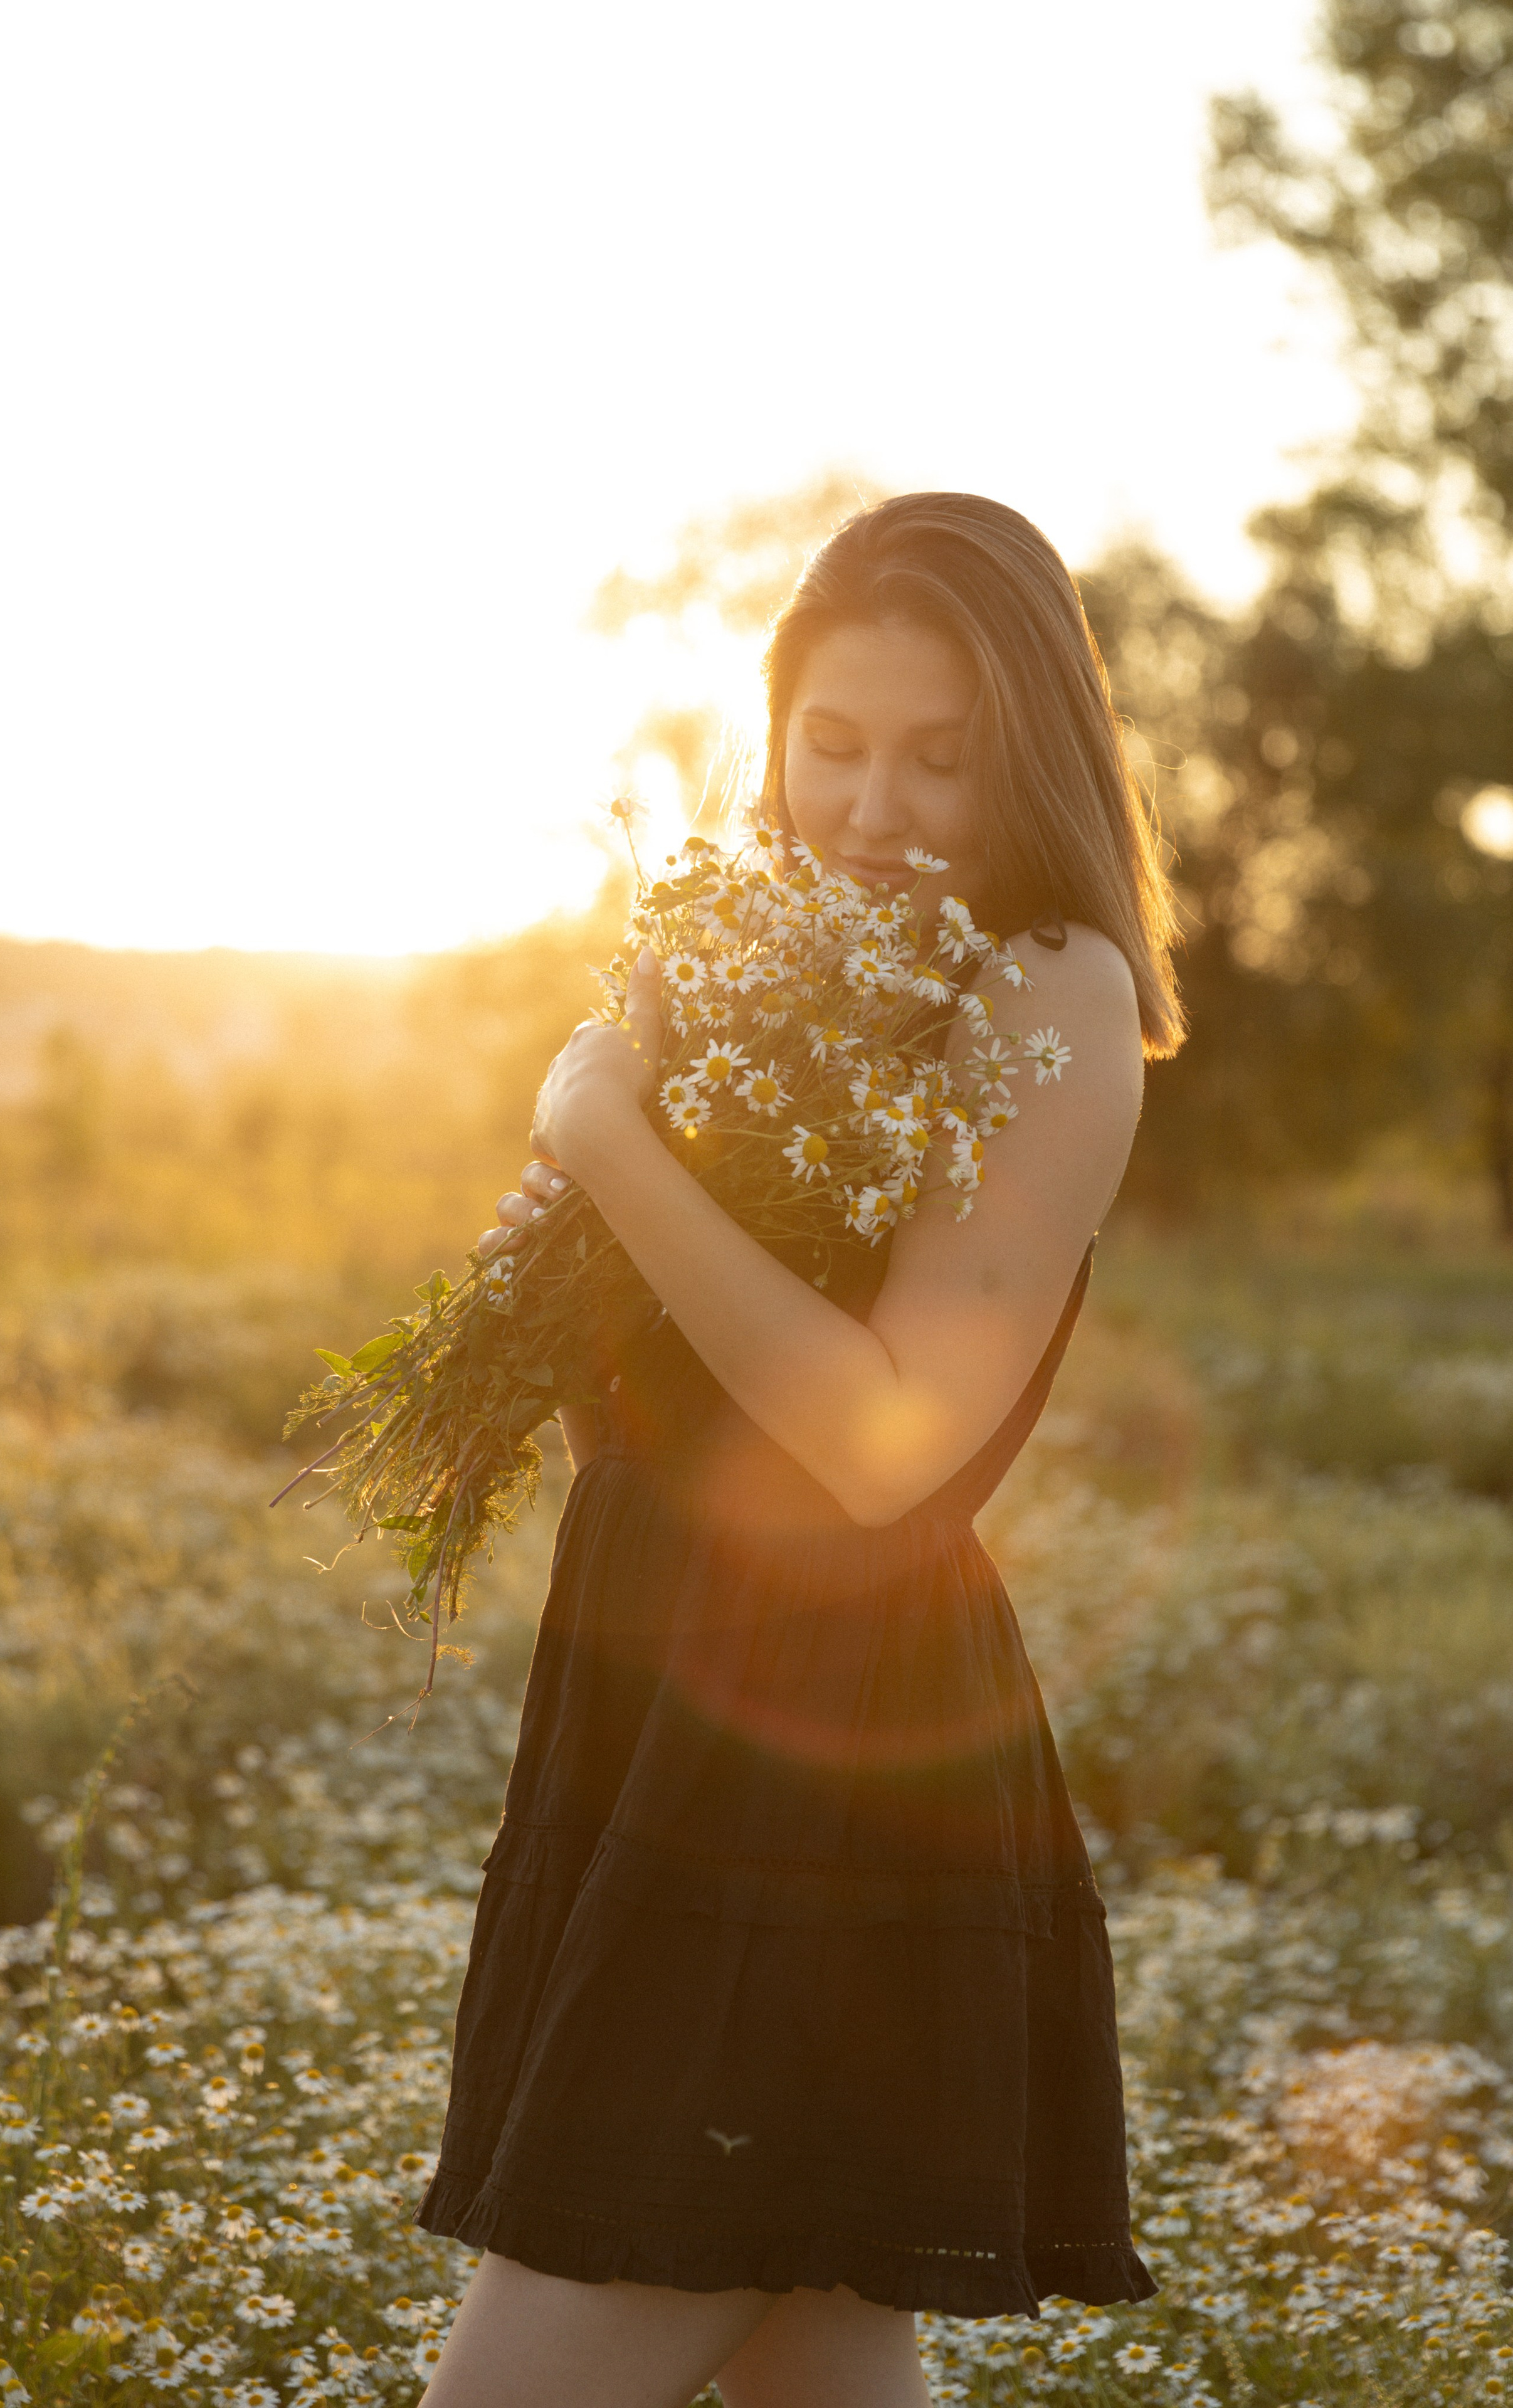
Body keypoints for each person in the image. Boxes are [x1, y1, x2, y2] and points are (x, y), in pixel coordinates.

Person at [413, 492, 1181, 2408]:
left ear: (1033, 759)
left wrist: (610, 1145)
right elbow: (664, 1414)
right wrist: (557, 1279)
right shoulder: (764, 956)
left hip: (827, 1758)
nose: (872, 806)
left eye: (941, 757)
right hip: (669, 1713)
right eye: (831, 743)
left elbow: (880, 1445)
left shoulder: (1054, 984)